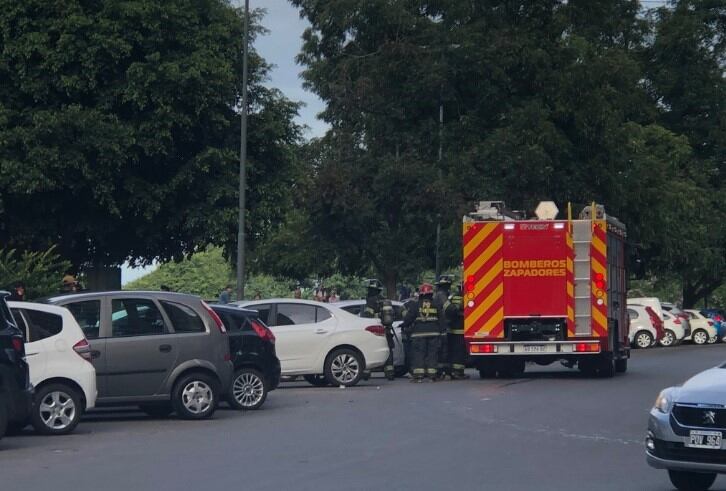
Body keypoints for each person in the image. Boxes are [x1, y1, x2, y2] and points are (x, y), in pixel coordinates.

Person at [399, 283, 443, 382]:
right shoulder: (436, 304)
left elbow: (409, 318)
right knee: (432, 354)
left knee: (419, 354)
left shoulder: (415, 305)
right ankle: (432, 375)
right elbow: (442, 319)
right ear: (431, 294)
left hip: (419, 334)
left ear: (421, 294)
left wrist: (403, 325)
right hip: (434, 334)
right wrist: (442, 331)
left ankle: (418, 376)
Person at [360, 279, 394, 379]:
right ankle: (390, 373)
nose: (368, 291)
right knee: (388, 351)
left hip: (373, 330)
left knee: (369, 350)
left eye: (370, 289)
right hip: (386, 329)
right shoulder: (385, 300)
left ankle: (366, 374)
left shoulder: (370, 301)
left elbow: (367, 316)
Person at [446, 286, 469, 380]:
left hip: (453, 329)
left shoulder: (453, 297)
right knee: (459, 352)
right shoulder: (465, 297)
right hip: (461, 328)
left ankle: (453, 371)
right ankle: (458, 372)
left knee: (454, 351)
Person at [434, 275, 454, 379]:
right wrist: (457, 310)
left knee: (443, 349)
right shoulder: (442, 295)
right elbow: (449, 309)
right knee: (443, 350)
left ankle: (444, 372)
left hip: (441, 326)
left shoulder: (440, 294)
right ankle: (442, 372)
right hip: (442, 326)